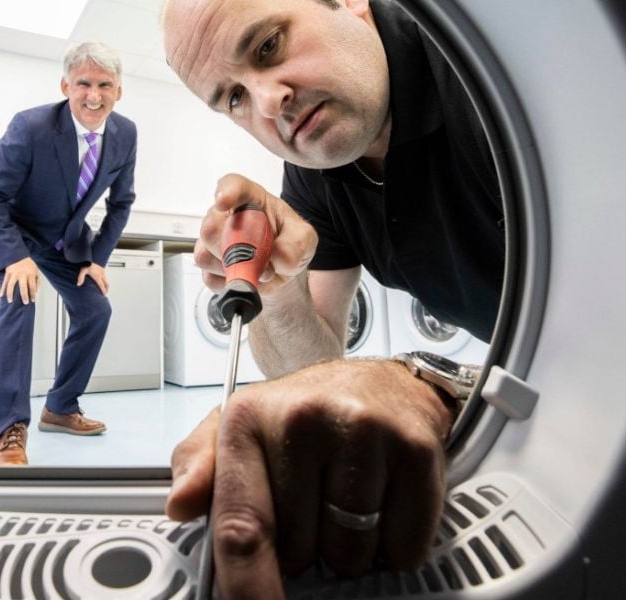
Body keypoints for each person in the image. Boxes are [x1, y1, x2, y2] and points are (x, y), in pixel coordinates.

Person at [160, 0, 505, 595]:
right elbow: (317, 370)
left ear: (350, 3)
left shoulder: (487, 80)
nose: (268, 104)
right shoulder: (318, 174)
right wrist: (279, 283)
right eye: (234, 98)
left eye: (268, 46)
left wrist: (432, 382)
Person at [0, 42, 137, 466]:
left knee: (96, 310)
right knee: (20, 299)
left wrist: (97, 259)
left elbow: (121, 203)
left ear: (119, 90)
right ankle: (10, 430)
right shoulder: (32, 126)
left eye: (105, 85)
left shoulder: (126, 134)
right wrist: (13, 256)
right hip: (15, 233)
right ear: (66, 85)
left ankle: (60, 407)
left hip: (66, 242)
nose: (94, 95)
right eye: (83, 83)